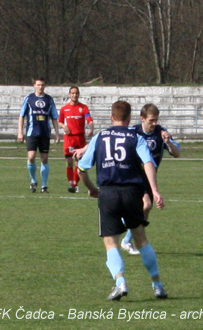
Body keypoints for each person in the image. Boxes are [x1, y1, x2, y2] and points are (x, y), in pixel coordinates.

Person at [78, 100, 168, 301]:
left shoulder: (100, 137)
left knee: (111, 243)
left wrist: (92, 188)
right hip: (131, 193)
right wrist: (154, 190)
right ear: (129, 119)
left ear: (112, 118)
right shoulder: (136, 137)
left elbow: (81, 169)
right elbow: (148, 163)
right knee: (141, 240)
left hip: (108, 193)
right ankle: (158, 285)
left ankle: (120, 282)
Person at [120, 103, 180, 255]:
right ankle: (125, 234)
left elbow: (177, 153)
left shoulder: (161, 133)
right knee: (140, 206)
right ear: (142, 118)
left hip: (148, 178)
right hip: (131, 176)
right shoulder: (133, 131)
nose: (154, 123)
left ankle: (127, 239)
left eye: (156, 120)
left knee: (146, 207)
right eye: (151, 120)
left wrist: (168, 142)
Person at [17, 78, 60, 193]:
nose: (40, 87)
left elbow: (54, 117)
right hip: (32, 133)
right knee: (31, 157)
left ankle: (44, 186)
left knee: (44, 158)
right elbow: (21, 116)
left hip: (45, 133)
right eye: (38, 85)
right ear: (34, 85)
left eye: (42, 85)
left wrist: (57, 133)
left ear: (45, 86)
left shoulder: (49, 99)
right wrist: (20, 132)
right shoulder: (29, 98)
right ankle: (33, 180)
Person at [58, 86, 94, 193]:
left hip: (80, 138)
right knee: (69, 162)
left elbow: (89, 120)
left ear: (79, 94)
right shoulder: (64, 109)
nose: (74, 95)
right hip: (69, 139)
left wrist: (91, 128)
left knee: (78, 163)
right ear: (69, 95)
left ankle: (75, 184)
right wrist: (64, 127)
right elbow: (59, 121)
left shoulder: (83, 108)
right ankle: (71, 183)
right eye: (72, 93)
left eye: (76, 93)